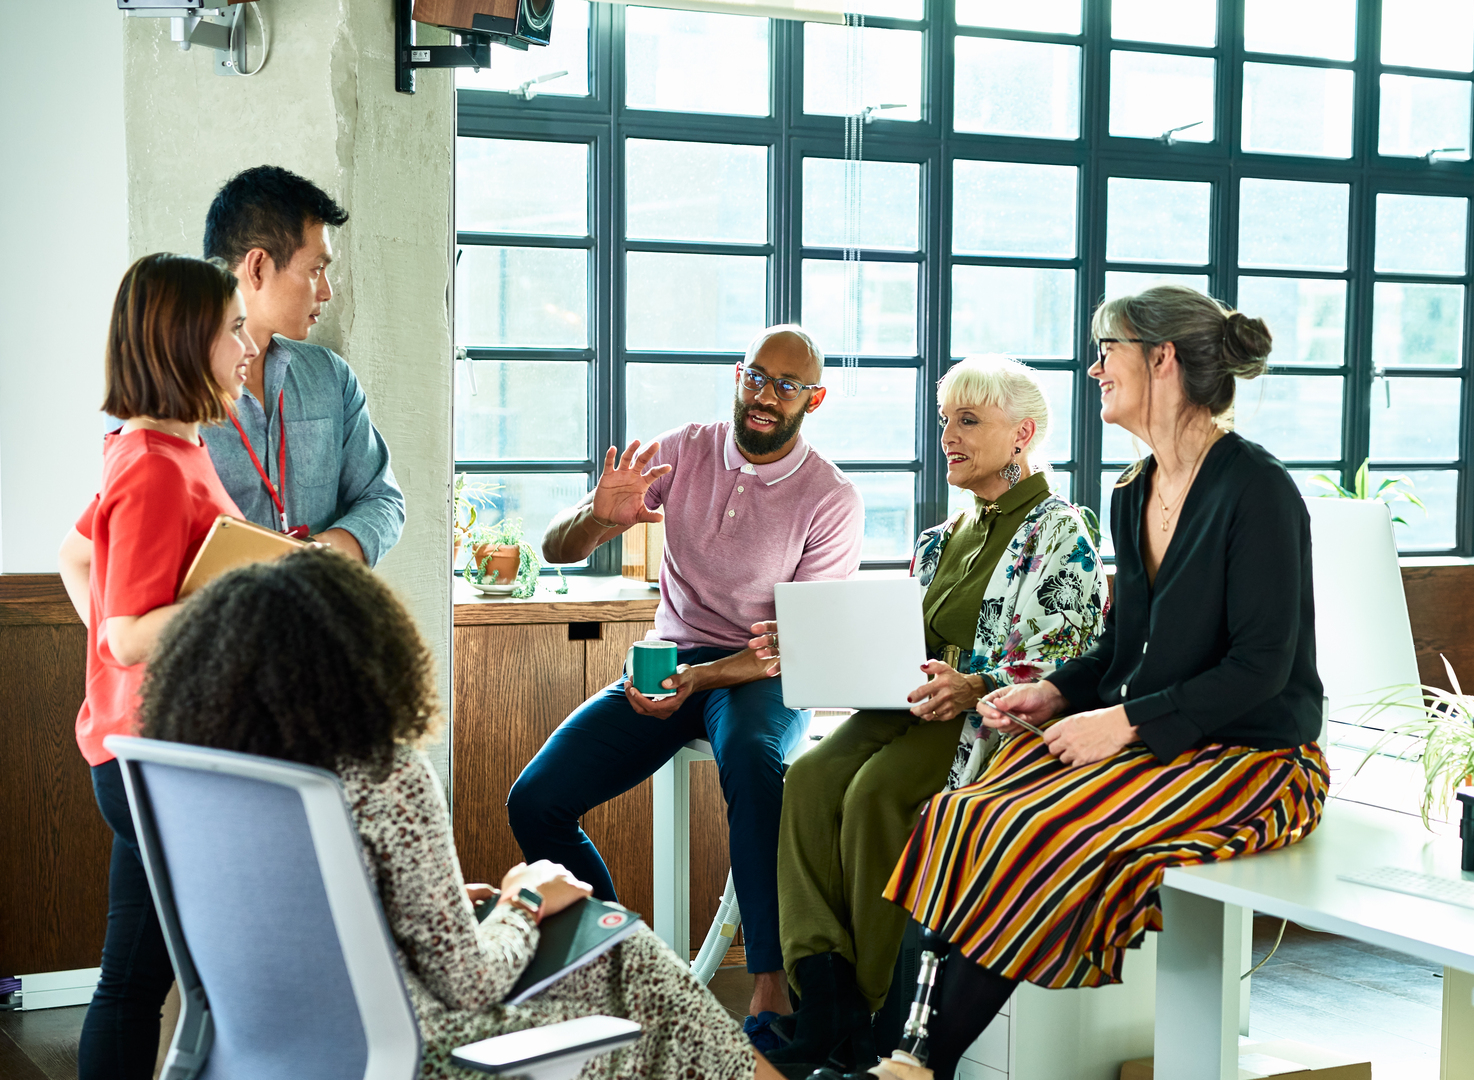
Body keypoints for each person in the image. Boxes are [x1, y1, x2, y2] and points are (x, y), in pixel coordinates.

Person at [811, 285, 1330, 1080]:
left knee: (1038, 833)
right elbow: (1128, 641)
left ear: (1161, 360)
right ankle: (896, 1058)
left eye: (1106, 350)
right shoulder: (1133, 492)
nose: (1093, 369)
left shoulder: (1256, 490)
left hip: (1251, 760)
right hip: (1155, 741)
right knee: (960, 816)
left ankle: (916, 1065)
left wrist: (1120, 724)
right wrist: (1057, 693)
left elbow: (1260, 670)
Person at [135, 549, 787, 1080]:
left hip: (265, 1049)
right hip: (424, 1050)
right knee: (629, 954)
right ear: (361, 659)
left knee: (611, 954)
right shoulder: (384, 775)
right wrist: (526, 898)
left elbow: (308, 926)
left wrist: (431, 910)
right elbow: (472, 982)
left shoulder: (199, 778)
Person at [755, 356, 1107, 1074]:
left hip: (981, 719)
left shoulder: (1060, 530)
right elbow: (897, 642)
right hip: (906, 705)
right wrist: (814, 648)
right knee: (811, 776)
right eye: (946, 420)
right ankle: (825, 1002)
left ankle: (883, 1017)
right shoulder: (941, 538)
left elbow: (1071, 655)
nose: (948, 435)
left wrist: (974, 685)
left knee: (874, 794)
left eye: (969, 421)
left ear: (1023, 435)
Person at [508, 325, 863, 1029]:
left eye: (786, 386)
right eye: (755, 376)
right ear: (738, 376)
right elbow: (557, 549)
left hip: (759, 673)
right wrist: (596, 516)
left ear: (813, 399)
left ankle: (769, 984)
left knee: (756, 768)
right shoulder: (683, 451)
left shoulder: (830, 498)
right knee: (536, 800)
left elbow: (792, 647)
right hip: (669, 657)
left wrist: (701, 685)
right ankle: (622, 964)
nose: (764, 396)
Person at [55, 253, 259, 1079]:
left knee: (137, 976)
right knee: (176, 981)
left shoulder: (162, 448)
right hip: (157, 760)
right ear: (185, 341)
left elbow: (73, 558)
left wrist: (127, 674)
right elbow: (128, 636)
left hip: (147, 751)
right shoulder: (151, 464)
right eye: (234, 329)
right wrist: (249, 584)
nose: (249, 345)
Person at [199, 165, 405, 562]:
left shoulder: (330, 377)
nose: (326, 291)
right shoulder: (168, 395)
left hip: (320, 617)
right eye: (316, 270)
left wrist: (320, 557)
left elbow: (382, 499)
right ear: (258, 266)